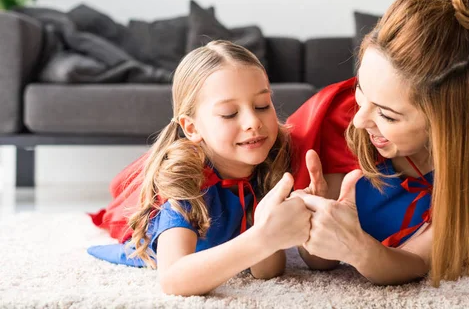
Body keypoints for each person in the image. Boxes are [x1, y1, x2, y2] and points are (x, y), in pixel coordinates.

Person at [288, 0, 469, 287]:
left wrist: (356, 248)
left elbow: (414, 263)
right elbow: (321, 260)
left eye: (387, 114)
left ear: (447, 123)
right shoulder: (343, 126)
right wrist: (315, 223)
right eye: (360, 93)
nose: (359, 120)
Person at [88, 40, 311, 296]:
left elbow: (267, 270)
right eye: (229, 113)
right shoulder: (186, 183)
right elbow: (173, 279)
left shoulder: (271, 162)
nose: (253, 122)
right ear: (192, 128)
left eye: (262, 105)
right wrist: (263, 238)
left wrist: (273, 225)